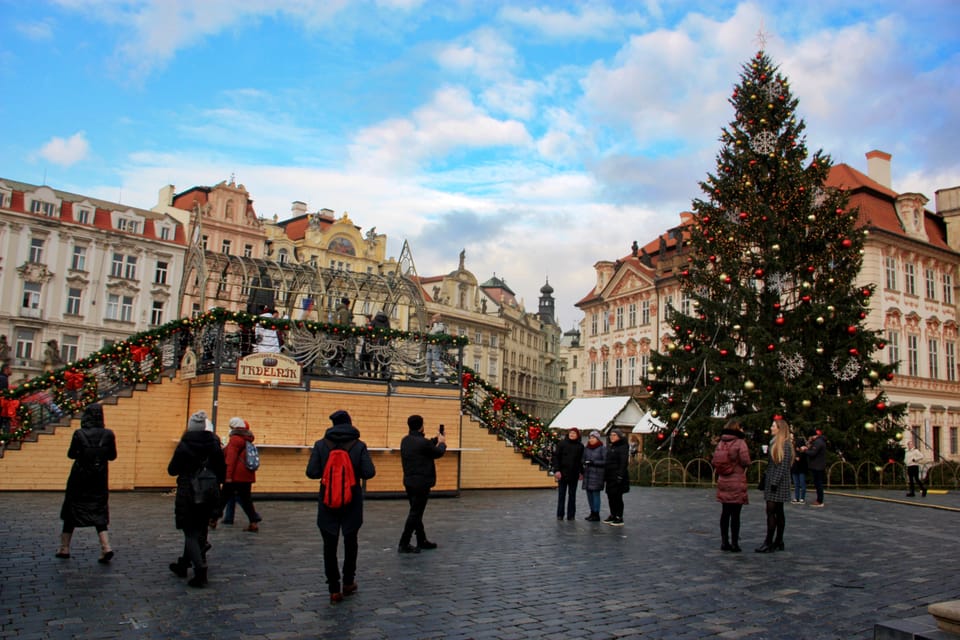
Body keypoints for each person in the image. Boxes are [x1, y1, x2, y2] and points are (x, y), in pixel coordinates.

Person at [306, 410, 376, 603]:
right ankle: (348, 581)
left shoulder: (321, 445)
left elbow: (311, 472)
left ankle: (333, 589)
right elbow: (369, 472)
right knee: (350, 541)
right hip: (351, 500)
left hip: (327, 500)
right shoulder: (358, 445)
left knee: (329, 545)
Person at [167, 410, 226, 587]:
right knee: (199, 529)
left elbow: (172, 469)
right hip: (209, 492)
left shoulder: (185, 445)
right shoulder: (214, 444)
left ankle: (200, 570)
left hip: (188, 492)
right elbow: (222, 471)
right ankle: (184, 564)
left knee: (190, 532)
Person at [56, 403, 117, 563]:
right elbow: (112, 456)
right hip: (99, 478)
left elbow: (71, 454)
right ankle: (106, 547)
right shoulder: (109, 434)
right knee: (99, 511)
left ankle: (64, 548)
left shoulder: (79, 433)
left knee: (72, 510)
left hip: (79, 477)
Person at [398, 414, 446, 553]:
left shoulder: (405, 440)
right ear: (421, 426)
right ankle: (404, 542)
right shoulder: (422, 443)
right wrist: (442, 442)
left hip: (409, 481)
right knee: (415, 513)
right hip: (422, 483)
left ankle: (421, 539)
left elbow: (424, 445)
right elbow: (437, 452)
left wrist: (436, 439)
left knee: (416, 512)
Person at [755, 417, 794, 553]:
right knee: (777, 512)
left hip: (777, 483)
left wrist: (773, 483)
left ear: (780, 429)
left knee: (772, 512)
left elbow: (782, 467)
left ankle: (770, 541)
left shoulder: (784, 445)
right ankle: (778, 541)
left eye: (773, 426)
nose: (771, 428)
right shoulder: (775, 443)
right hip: (774, 480)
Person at [217, 417, 262, 532]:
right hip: (247, 475)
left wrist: (228, 476)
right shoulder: (247, 438)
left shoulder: (235, 439)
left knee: (223, 498)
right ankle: (253, 521)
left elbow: (230, 460)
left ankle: (212, 518)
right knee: (246, 499)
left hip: (235, 476)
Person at [712, 418, 750, 552]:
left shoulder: (721, 442)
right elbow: (746, 460)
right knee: (736, 514)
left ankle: (724, 541)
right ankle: (734, 542)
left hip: (723, 479)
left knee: (725, 512)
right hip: (736, 478)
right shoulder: (740, 442)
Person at [552, 427, 584, 520]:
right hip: (562, 473)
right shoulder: (562, 444)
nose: (572, 435)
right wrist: (557, 470)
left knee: (572, 496)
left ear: (577, 435)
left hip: (574, 474)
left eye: (574, 433)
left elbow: (580, 461)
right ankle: (560, 514)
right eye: (571, 433)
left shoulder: (580, 446)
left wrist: (581, 472)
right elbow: (556, 457)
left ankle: (571, 515)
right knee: (561, 495)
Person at [603, 428, 630, 526]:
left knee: (617, 497)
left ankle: (619, 516)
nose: (612, 437)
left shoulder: (623, 447)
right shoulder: (611, 447)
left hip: (617, 475)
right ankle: (613, 514)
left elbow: (623, 462)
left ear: (619, 436)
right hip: (610, 475)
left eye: (614, 435)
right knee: (610, 496)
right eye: (611, 435)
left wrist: (620, 475)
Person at [581, 430, 606, 521]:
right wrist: (584, 462)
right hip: (588, 474)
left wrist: (594, 462)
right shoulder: (586, 448)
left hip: (597, 475)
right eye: (590, 438)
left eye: (593, 438)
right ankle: (592, 512)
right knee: (589, 495)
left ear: (597, 439)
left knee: (596, 494)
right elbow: (583, 459)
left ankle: (596, 513)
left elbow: (605, 461)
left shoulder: (602, 448)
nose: (591, 439)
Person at [801, 430, 827, 507]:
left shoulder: (818, 442)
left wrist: (805, 450)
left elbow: (813, 453)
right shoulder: (818, 442)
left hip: (817, 466)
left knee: (818, 483)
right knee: (817, 483)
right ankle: (819, 499)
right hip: (817, 465)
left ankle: (820, 500)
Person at [425, 313, 447, 382]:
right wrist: (429, 326)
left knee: (436, 360)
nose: (432, 319)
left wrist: (432, 326)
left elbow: (434, 332)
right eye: (432, 318)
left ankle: (442, 375)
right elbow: (426, 333)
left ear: (438, 318)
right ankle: (428, 376)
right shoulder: (433, 326)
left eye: (434, 318)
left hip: (436, 346)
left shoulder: (441, 325)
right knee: (428, 360)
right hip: (429, 346)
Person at [790, 436, 808, 504]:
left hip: (801, 469)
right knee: (796, 484)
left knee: (802, 484)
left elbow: (798, 459)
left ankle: (802, 498)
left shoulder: (804, 452)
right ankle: (797, 498)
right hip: (795, 469)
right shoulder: (794, 450)